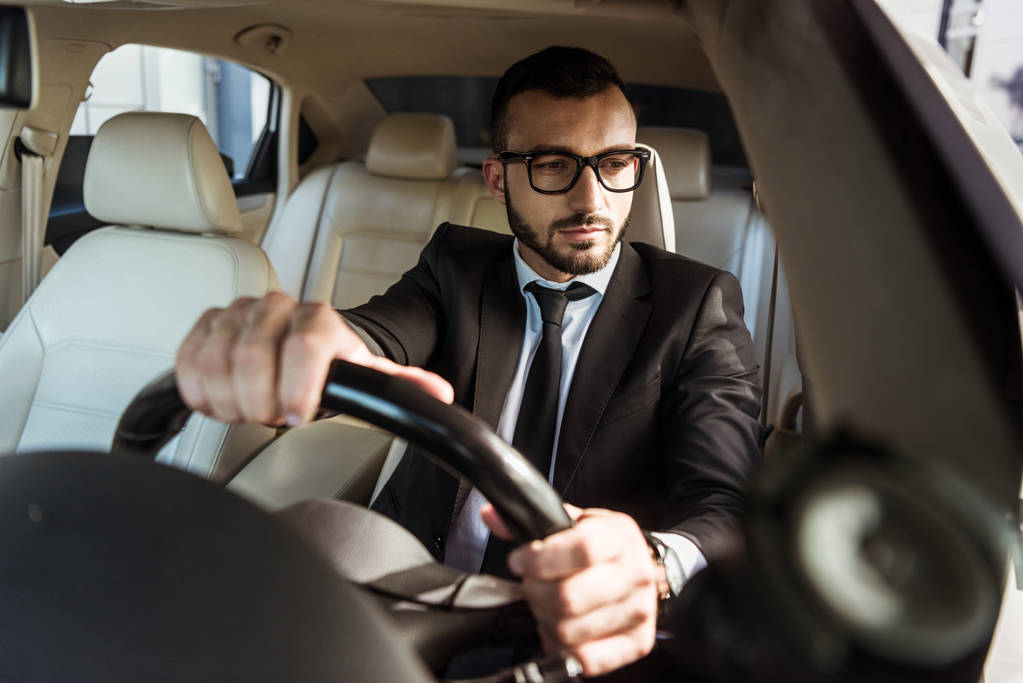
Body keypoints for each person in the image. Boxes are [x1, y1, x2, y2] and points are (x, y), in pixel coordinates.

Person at [176, 46, 763, 678]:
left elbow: (727, 506)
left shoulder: (696, 302)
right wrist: (310, 345)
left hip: (586, 630)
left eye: (615, 162)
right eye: (552, 165)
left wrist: (650, 566)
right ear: (497, 178)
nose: (592, 198)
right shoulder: (455, 265)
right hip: (417, 591)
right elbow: (371, 335)